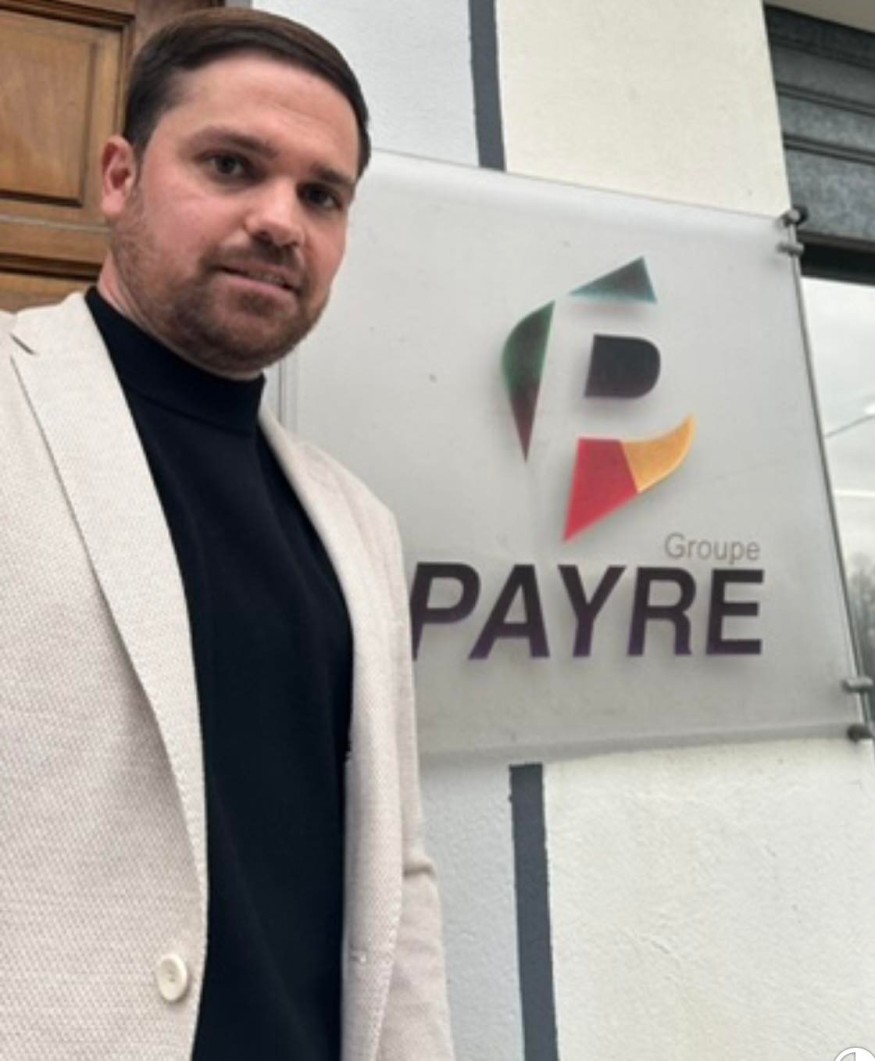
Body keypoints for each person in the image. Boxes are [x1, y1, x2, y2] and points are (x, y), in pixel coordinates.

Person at [0, 9, 453, 1059]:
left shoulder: (356, 523)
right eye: (231, 165)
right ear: (119, 176)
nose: (279, 220)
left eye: (320, 195)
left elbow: (397, 869)